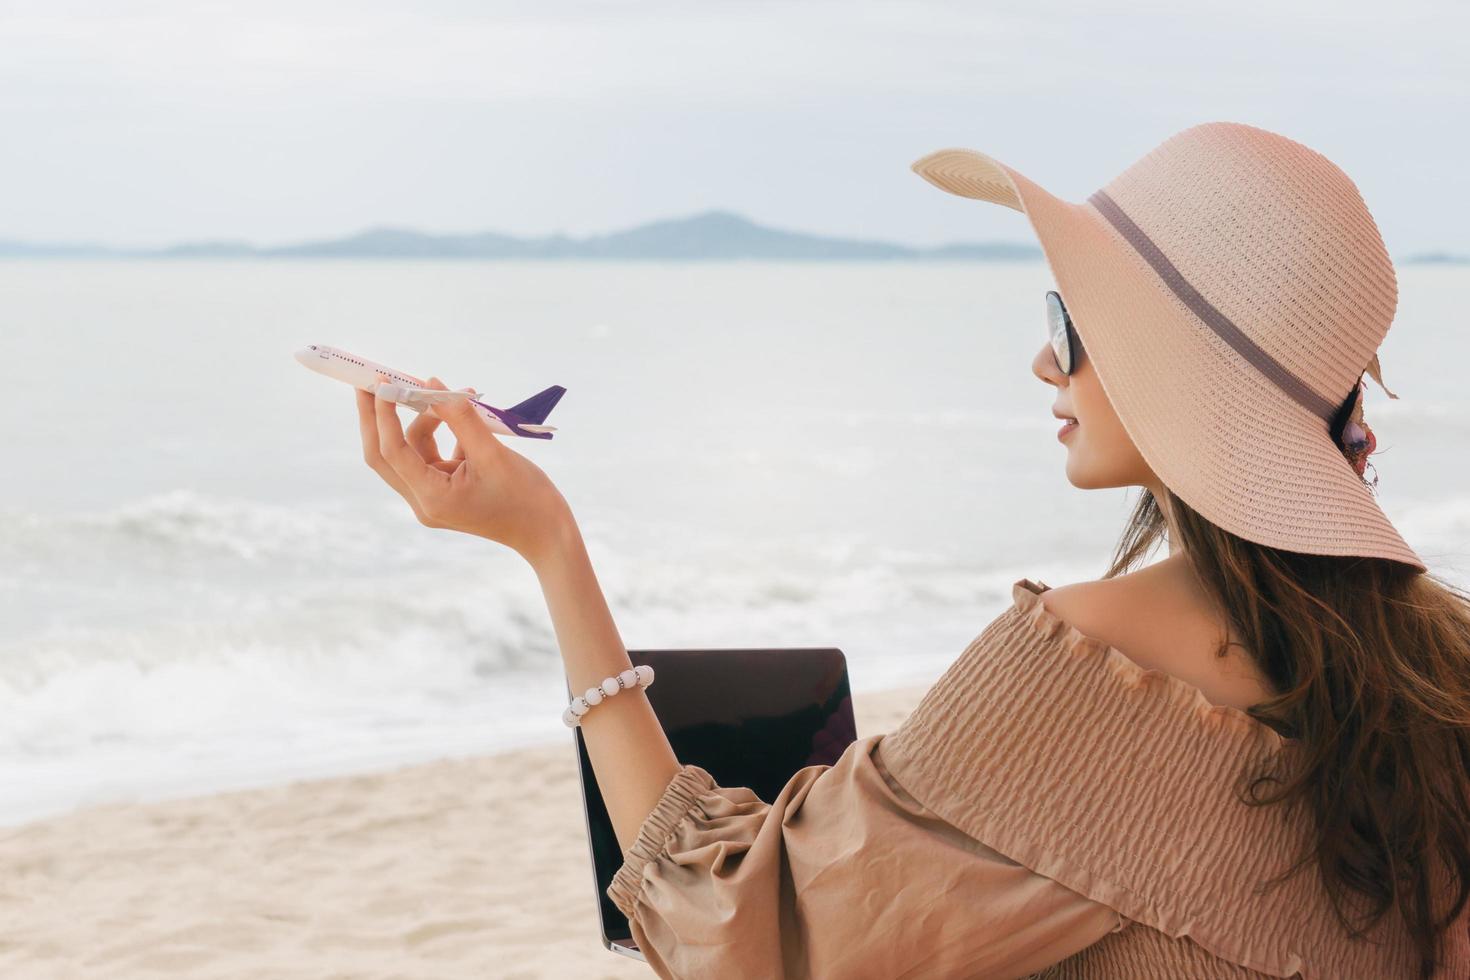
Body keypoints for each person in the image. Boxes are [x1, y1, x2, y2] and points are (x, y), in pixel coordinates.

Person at [351, 121, 1470, 979]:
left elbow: (732, 922)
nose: (1045, 364)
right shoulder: (1443, 666)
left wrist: (548, 543)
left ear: (1166, 359)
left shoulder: (1083, 670)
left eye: (1069, 321)